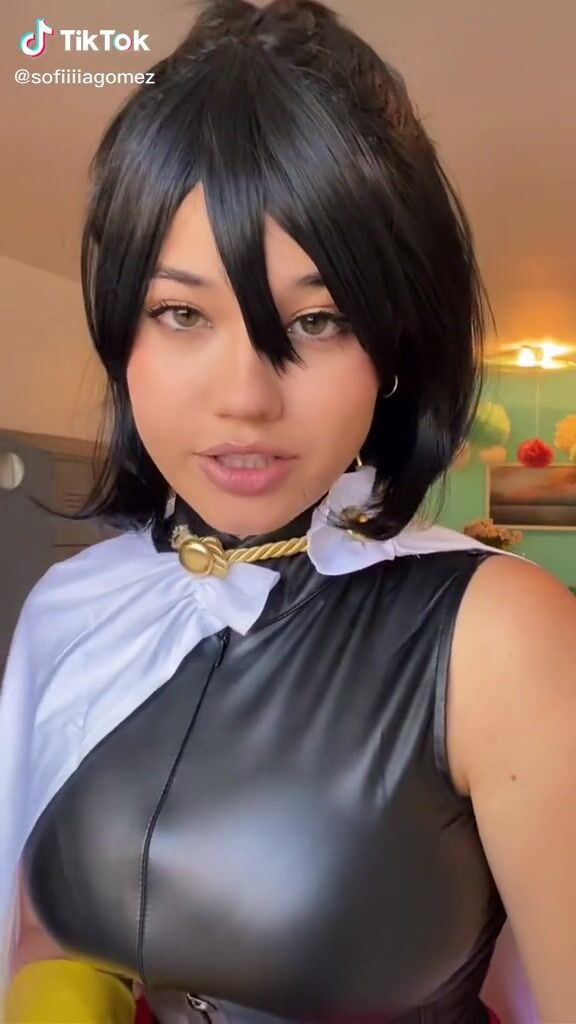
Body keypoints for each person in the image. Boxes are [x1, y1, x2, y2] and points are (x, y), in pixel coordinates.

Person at [1, 0, 575, 1021]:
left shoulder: (498, 635)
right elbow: (50, 923)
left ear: (394, 347)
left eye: (317, 320)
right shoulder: (73, 611)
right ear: (120, 329)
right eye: (182, 312)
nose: (246, 398)